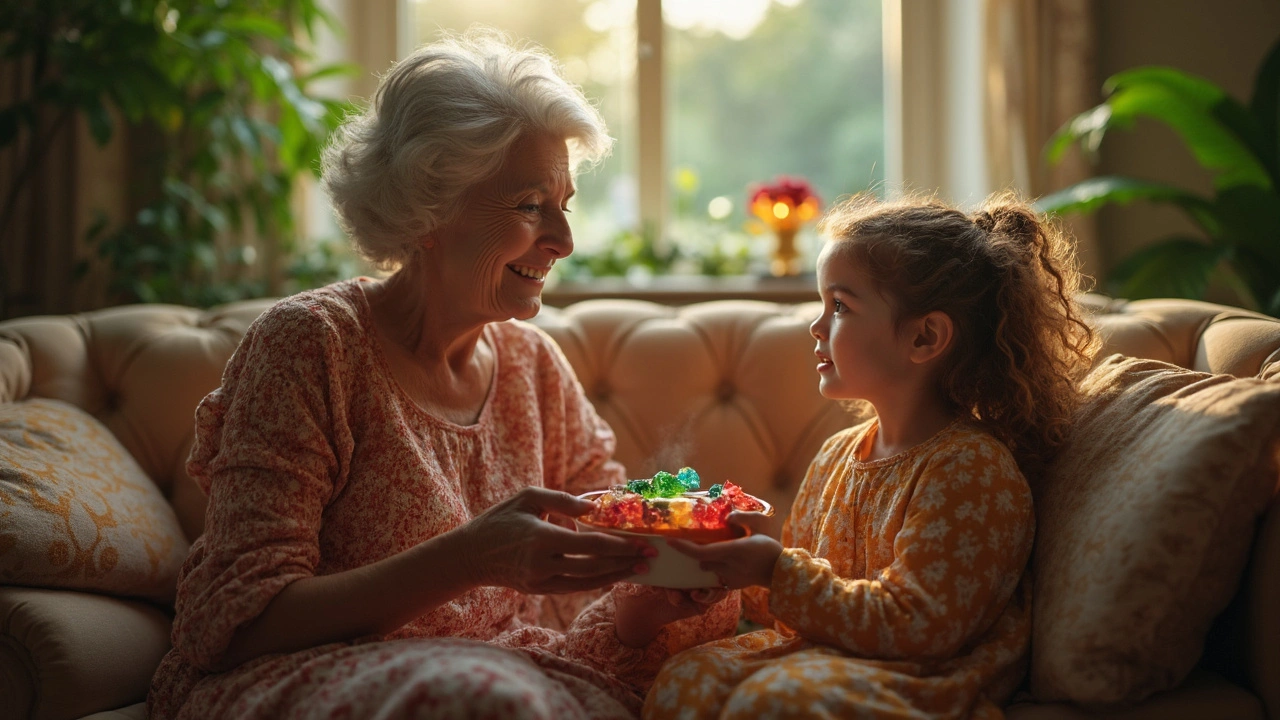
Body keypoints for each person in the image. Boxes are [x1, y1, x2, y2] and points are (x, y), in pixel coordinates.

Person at [148, 32, 737, 720]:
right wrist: (467, 559)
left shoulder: (534, 366)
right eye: (528, 205)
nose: (563, 241)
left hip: (506, 678)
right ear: (429, 209)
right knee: (487, 697)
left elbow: (594, 613)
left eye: (564, 205)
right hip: (309, 676)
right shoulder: (313, 345)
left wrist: (653, 590)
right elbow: (235, 622)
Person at [649, 193, 1098, 719]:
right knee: (684, 678)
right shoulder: (837, 453)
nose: (816, 327)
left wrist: (776, 572)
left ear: (925, 336)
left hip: (916, 674)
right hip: (826, 655)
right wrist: (732, 572)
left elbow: (919, 625)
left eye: (840, 307)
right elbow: (802, 604)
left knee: (772, 701)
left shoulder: (970, 469)